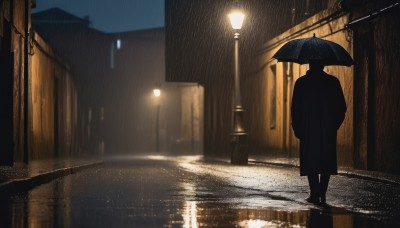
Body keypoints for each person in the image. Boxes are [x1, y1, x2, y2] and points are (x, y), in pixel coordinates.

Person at [291, 60, 346, 205]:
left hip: (309, 128)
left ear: (309, 65)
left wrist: (297, 127)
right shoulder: (332, 82)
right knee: (326, 159)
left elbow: (295, 108)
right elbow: (341, 107)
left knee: (311, 160)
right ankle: (321, 191)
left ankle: (315, 192)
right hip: (327, 128)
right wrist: (334, 124)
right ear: (323, 65)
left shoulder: (302, 83)